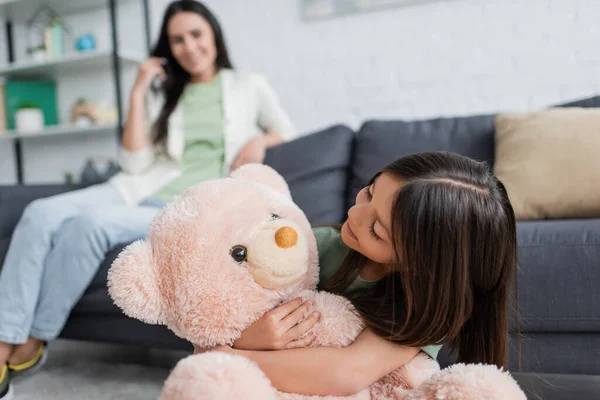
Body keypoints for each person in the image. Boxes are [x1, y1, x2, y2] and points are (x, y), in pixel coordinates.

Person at [0, 1, 295, 397]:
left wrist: (259, 139)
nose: (188, 47)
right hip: (133, 188)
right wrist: (139, 89)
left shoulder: (248, 84)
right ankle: (4, 339)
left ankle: (33, 341)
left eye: (196, 35)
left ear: (213, 36)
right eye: (178, 40)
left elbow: (285, 132)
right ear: (167, 47)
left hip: (183, 207)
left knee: (88, 227)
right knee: (39, 212)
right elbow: (134, 160)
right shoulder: (165, 92)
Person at [195, 151, 518, 397]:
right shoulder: (316, 246)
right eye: (368, 192)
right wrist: (243, 338)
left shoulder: (424, 309)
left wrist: (227, 355)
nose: (354, 213)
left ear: (421, 264)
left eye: (377, 230)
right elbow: (221, 303)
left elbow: (347, 371)